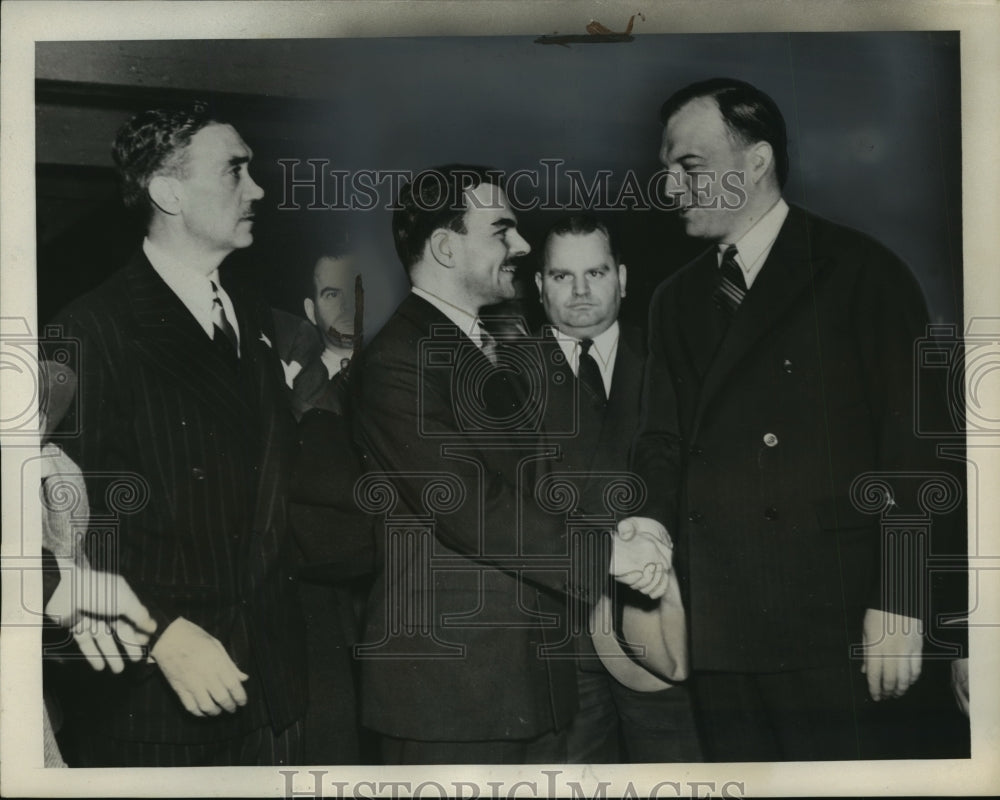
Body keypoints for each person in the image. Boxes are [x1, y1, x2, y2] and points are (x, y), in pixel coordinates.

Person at [627, 77, 958, 761]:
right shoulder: (673, 300)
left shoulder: (862, 271)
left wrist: (901, 599)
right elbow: (662, 441)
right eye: (664, 170)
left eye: (689, 167)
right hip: (718, 625)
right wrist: (650, 528)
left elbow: (917, 450)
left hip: (837, 622)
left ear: (756, 163)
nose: (669, 188)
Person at [352, 165, 673, 764]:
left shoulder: (476, 351)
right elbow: (472, 507)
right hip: (451, 691)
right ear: (447, 247)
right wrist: (608, 555)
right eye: (502, 231)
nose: (521, 247)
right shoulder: (400, 361)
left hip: (520, 682)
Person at [50, 102, 306, 766]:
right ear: (168, 192)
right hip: (158, 707)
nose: (258, 189)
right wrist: (162, 635)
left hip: (270, 694)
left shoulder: (249, 315)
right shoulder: (91, 329)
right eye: (235, 170)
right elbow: (65, 520)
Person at [534, 215, 702, 763]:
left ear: (623, 279)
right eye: (562, 276)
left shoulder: (674, 360)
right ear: (537, 286)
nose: (581, 291)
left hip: (657, 625)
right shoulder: (501, 377)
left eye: (596, 272)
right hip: (554, 642)